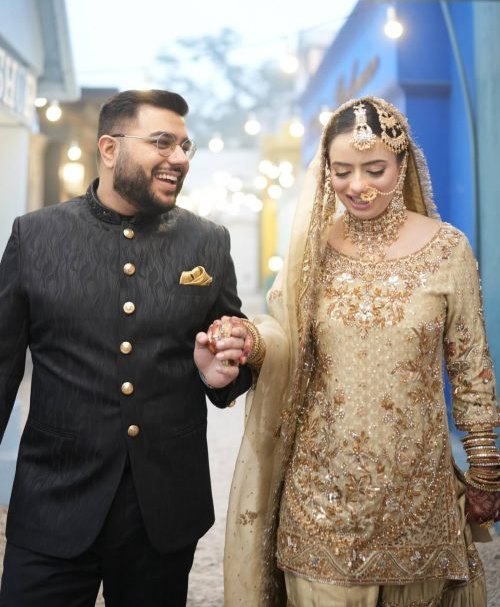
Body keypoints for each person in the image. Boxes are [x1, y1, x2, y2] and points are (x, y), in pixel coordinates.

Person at [224, 96, 500, 607]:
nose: (358, 186)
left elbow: (470, 366)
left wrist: (485, 468)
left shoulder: (448, 250)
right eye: (342, 171)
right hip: (320, 489)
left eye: (375, 169)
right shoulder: (313, 250)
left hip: (415, 492)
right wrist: (250, 341)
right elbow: (285, 337)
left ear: (403, 164)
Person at [0, 88, 257, 607]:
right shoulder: (36, 237)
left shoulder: (207, 242)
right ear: (110, 148)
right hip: (54, 500)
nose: (179, 159)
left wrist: (224, 371)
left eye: (187, 146)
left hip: (162, 509)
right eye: (162, 142)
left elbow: (235, 346)